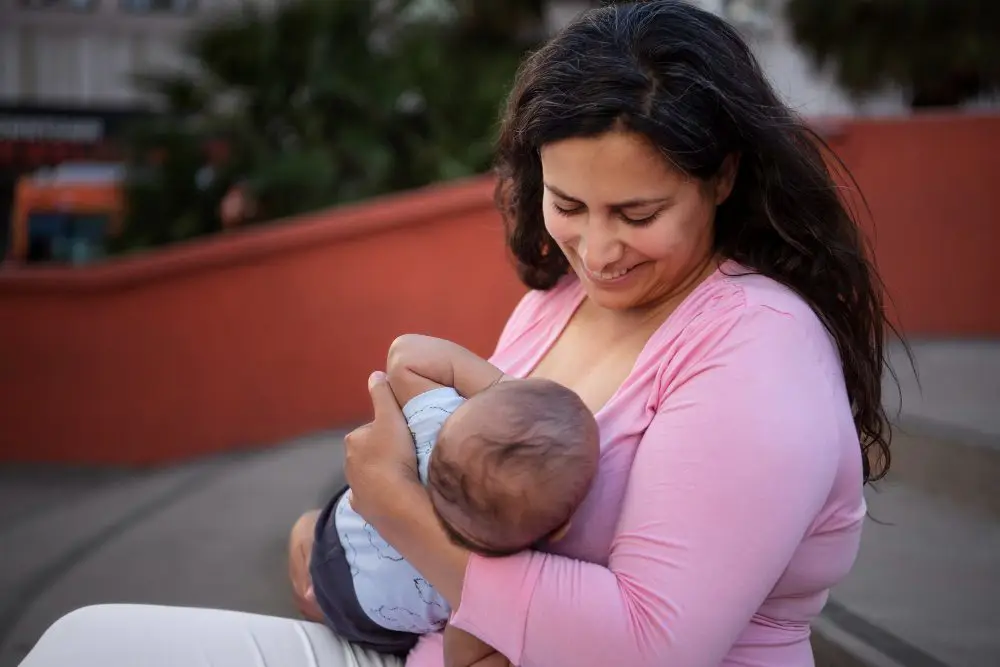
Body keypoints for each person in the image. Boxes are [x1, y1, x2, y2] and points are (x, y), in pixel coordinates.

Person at [18, 2, 897, 666]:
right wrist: (344, 542)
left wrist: (403, 523)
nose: (595, 248)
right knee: (87, 641)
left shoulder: (755, 346)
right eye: (568, 205)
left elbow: (652, 642)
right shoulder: (559, 300)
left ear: (724, 177)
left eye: (637, 212)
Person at [306, 334, 598, 666]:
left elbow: (407, 353)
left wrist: (503, 386)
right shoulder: (485, 588)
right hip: (367, 619)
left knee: (306, 540)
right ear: (560, 529)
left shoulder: (438, 418)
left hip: (338, 526)